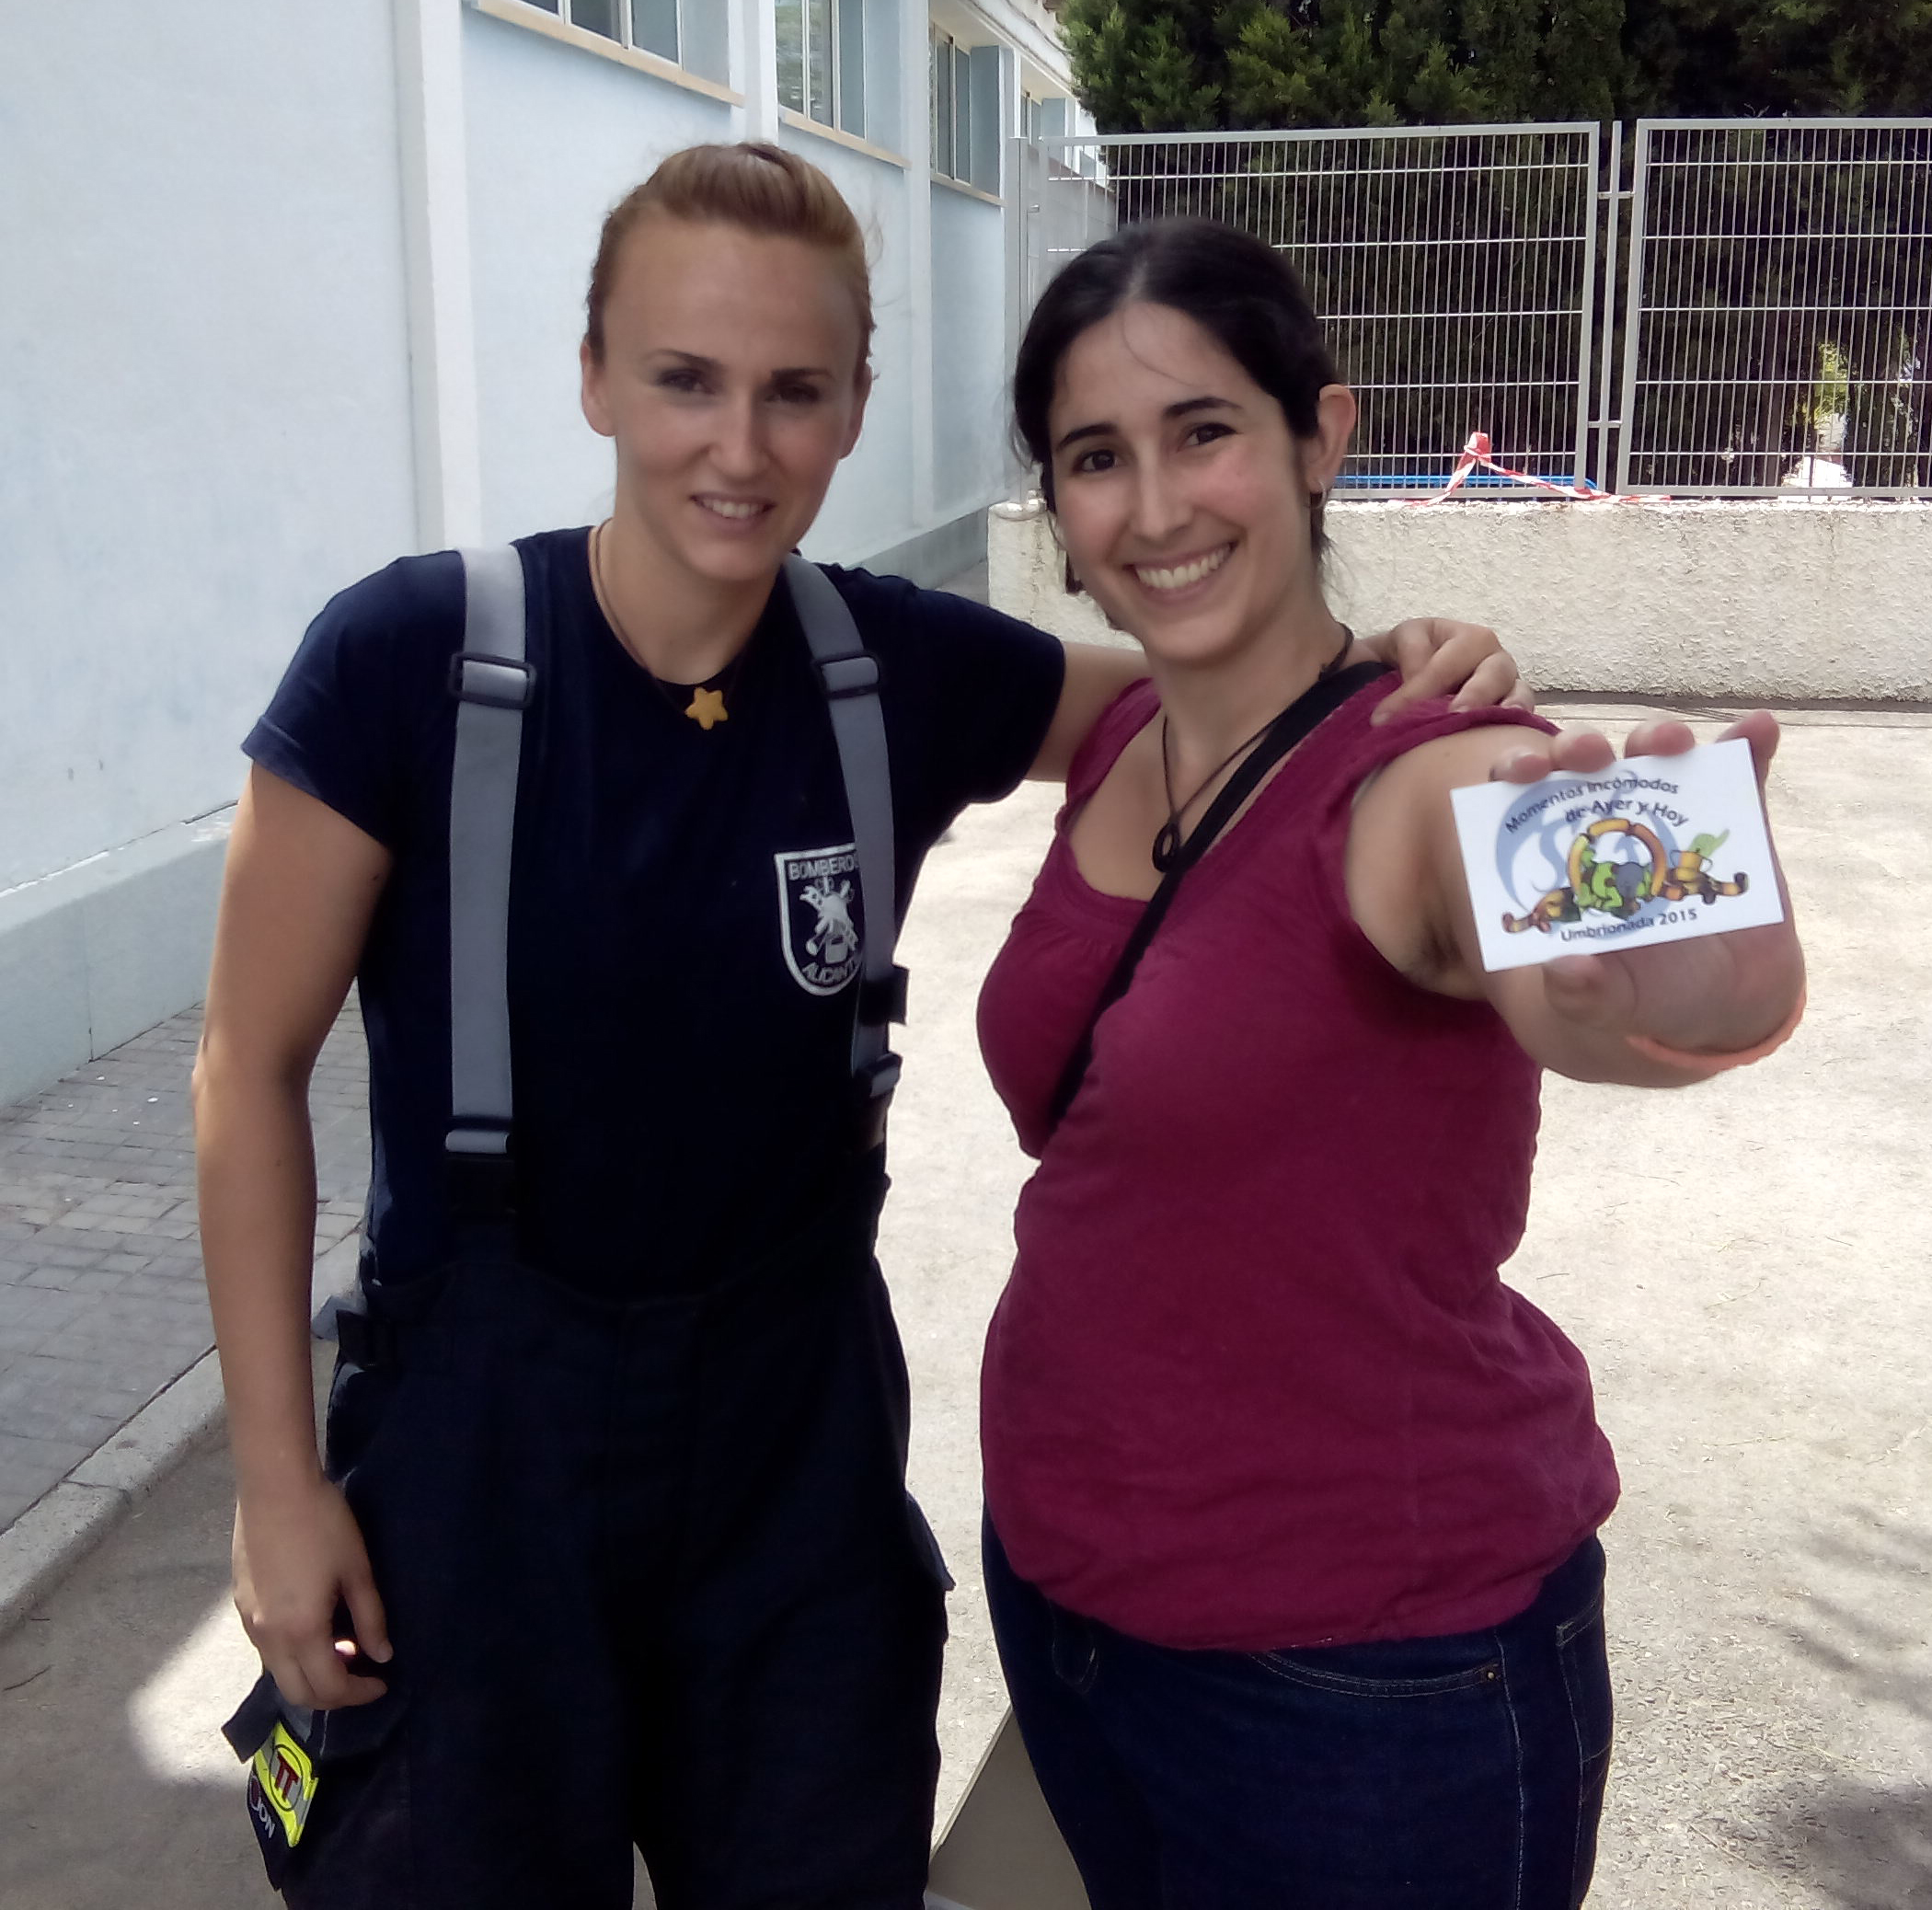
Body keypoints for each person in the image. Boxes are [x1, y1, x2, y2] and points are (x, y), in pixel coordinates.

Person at [193, 145, 1524, 1909]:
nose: (737, 450)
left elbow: (1220, 677)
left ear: (853, 408)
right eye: (684, 381)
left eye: (793, 393)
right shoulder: (406, 665)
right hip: (477, 1468)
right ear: (594, 375)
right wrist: (278, 1490)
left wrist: (1399, 662)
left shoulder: (890, 668)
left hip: (791, 1453)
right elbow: (246, 1074)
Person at [974, 218, 1807, 1910]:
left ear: (1320, 438)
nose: (1154, 508)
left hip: (1366, 1687)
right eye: (1094, 458)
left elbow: (1635, 967)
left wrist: (1672, 980)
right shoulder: (1128, 729)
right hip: (1073, 1611)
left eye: (1205, 432)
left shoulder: (1430, 778)